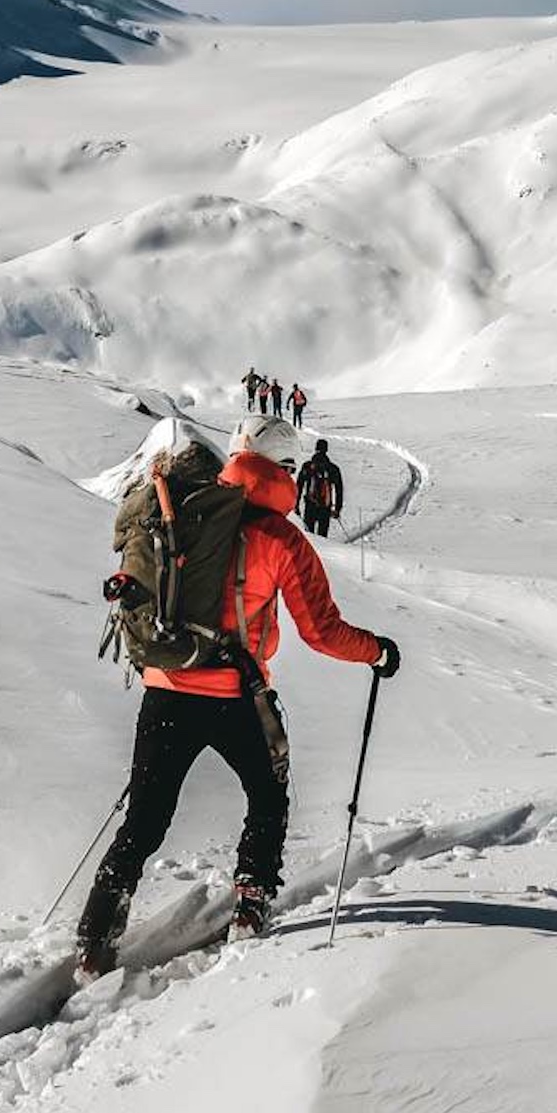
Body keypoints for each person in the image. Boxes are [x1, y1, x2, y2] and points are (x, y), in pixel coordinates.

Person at [76, 416, 397, 981]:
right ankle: (250, 905)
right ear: (283, 469)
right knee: (267, 797)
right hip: (235, 695)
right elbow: (322, 632)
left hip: (165, 690)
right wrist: (376, 653)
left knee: (144, 822)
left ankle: (94, 942)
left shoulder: (183, 514)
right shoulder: (279, 538)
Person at [297, 438, 344, 537]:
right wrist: (337, 509)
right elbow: (339, 490)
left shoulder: (308, 466)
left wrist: (296, 505)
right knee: (322, 536)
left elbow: (299, 486)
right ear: (326, 449)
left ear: (315, 448)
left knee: (309, 537)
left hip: (310, 505)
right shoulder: (333, 468)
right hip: (325, 507)